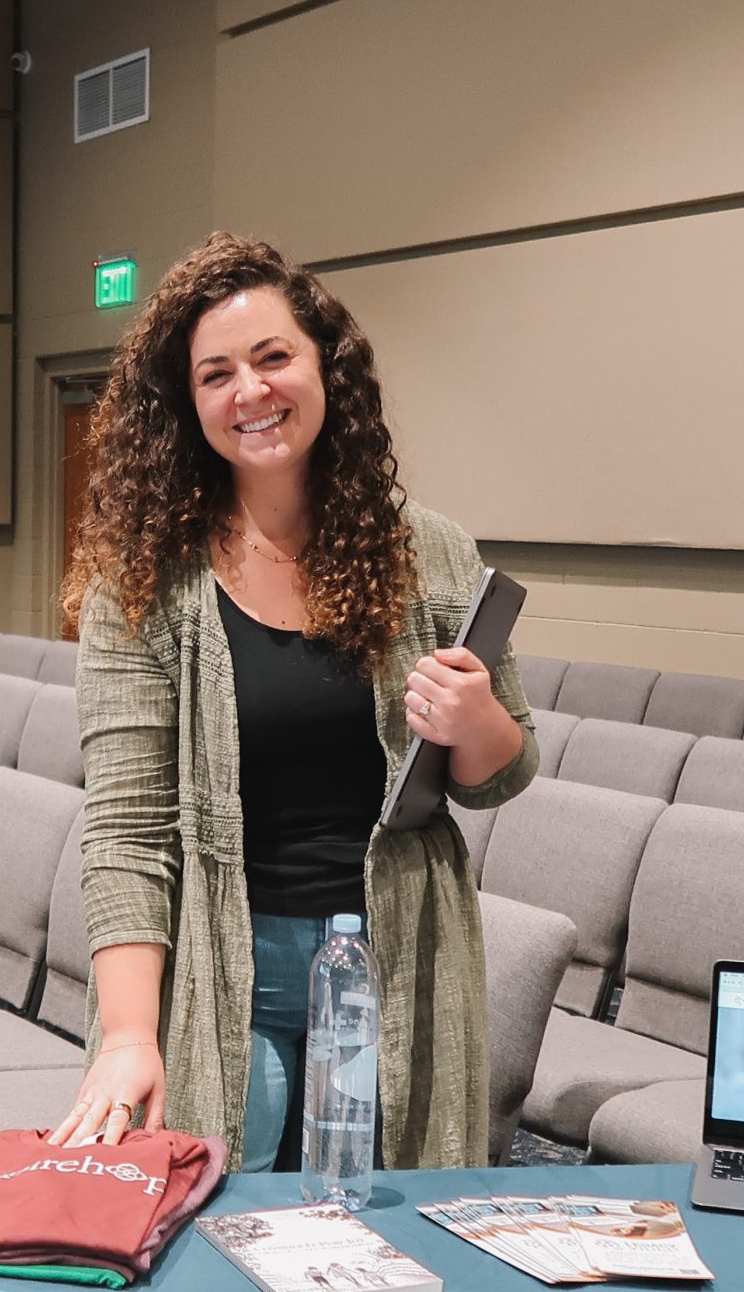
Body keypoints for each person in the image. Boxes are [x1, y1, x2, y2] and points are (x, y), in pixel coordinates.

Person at [47, 233, 535, 1171]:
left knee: (387, 1227)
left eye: (274, 358)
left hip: (395, 956)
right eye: (216, 374)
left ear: (325, 368)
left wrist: (477, 724)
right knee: (206, 1222)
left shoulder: (426, 552)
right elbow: (126, 827)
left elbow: (499, 774)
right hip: (225, 963)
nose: (252, 392)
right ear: (187, 406)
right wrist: (126, 1037)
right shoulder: (143, 582)